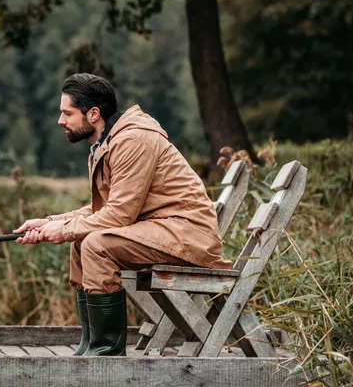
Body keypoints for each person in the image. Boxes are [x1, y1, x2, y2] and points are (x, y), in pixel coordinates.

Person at [14, 73, 229, 357]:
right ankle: (91, 345)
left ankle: (107, 353)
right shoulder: (106, 143)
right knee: (81, 242)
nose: (60, 120)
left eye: (67, 113)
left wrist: (65, 230)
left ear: (93, 114)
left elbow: (118, 216)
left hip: (187, 235)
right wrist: (52, 222)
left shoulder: (133, 141)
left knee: (95, 243)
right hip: (160, 230)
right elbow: (102, 210)